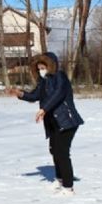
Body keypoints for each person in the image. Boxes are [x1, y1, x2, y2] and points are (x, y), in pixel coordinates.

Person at [8, 52, 84, 195]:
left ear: (51, 66)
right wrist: (20, 94)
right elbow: (35, 95)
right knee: (54, 151)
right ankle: (60, 181)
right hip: (53, 122)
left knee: (62, 153)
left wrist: (44, 109)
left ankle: (68, 188)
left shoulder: (60, 77)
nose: (41, 70)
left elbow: (58, 94)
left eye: (43, 67)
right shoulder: (44, 82)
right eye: (39, 68)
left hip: (67, 120)